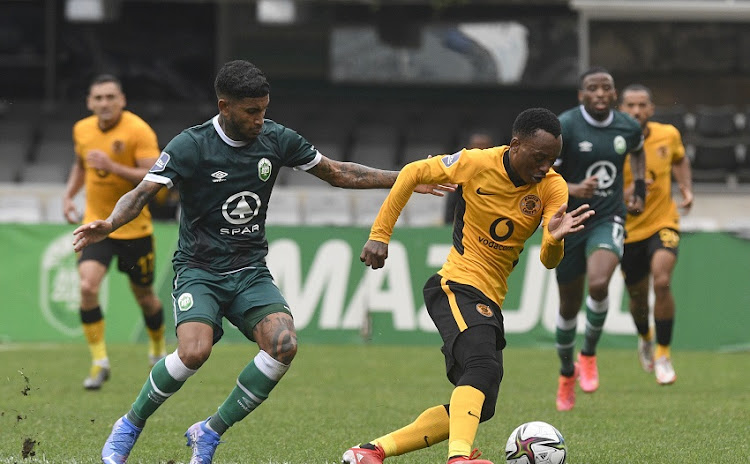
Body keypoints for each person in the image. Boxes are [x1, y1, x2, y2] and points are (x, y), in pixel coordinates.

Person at [73, 60, 451, 464]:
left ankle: (209, 431)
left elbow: (338, 172)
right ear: (224, 106)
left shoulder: (276, 138)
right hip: (199, 269)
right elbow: (143, 192)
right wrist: (111, 222)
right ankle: (129, 424)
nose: (260, 119)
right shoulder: (191, 145)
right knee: (194, 352)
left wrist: (406, 178)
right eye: (251, 111)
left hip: (250, 270)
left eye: (264, 109)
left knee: (284, 345)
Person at [343, 108, 594, 464]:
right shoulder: (476, 163)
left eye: (553, 159)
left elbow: (548, 261)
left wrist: (553, 239)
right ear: (515, 144)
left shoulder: (553, 187)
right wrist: (380, 235)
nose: (545, 167)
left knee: (483, 402)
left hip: (490, 297)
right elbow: (415, 172)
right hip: (456, 284)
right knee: (482, 367)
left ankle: (371, 452)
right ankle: (459, 458)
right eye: (539, 158)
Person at [63, 74, 167, 390]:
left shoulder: (138, 130)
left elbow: (156, 179)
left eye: (110, 97)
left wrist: (114, 165)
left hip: (133, 228)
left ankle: (158, 350)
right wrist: (69, 195)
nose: (104, 103)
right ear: (89, 102)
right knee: (87, 286)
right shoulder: (82, 129)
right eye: (98, 98)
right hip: (98, 226)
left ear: (122, 100)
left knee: (145, 297)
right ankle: (99, 362)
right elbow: (82, 164)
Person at [552, 66, 646, 411]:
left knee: (599, 282)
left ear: (614, 93)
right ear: (581, 95)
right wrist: (572, 188)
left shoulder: (628, 126)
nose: (601, 93)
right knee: (567, 307)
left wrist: (640, 186)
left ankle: (588, 354)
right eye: (593, 88)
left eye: (607, 87)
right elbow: (545, 170)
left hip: (608, 216)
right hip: (569, 221)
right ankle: (566, 373)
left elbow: (637, 149)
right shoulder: (565, 126)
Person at [618, 84, 693, 385]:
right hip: (626, 230)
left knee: (661, 281)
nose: (637, 111)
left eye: (642, 105)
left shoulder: (668, 135)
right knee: (637, 297)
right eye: (630, 106)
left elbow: (680, 159)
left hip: (664, 221)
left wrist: (686, 187)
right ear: (621, 109)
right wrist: (620, 194)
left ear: (651, 109)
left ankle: (663, 353)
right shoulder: (613, 142)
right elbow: (597, 182)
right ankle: (646, 337)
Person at [443, 131, 494, 224]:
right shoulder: (459, 174)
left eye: (483, 147)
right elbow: (451, 208)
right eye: (476, 147)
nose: (479, 151)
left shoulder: (500, 174)